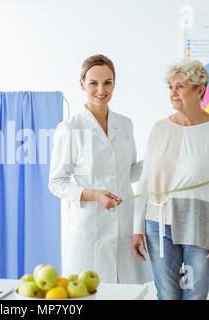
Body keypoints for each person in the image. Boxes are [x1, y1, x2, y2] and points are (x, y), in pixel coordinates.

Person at [131, 59, 209, 299]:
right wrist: (137, 229)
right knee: (167, 294)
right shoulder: (159, 128)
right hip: (158, 222)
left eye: (179, 87)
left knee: (196, 293)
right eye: (170, 87)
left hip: (201, 220)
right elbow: (145, 180)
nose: (173, 93)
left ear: (200, 90)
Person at [48, 54, 152, 284]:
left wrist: (157, 161)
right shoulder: (70, 128)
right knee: (90, 291)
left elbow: (128, 172)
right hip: (90, 227)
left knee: (127, 290)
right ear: (82, 84)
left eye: (107, 82)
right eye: (93, 83)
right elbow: (57, 182)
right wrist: (94, 194)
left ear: (114, 83)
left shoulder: (125, 124)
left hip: (124, 226)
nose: (100, 90)